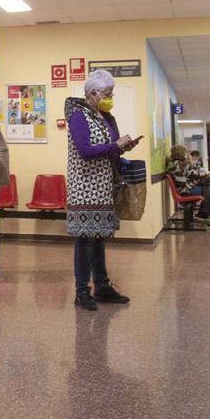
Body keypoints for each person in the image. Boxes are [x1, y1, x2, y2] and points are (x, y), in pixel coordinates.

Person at [65, 69, 134, 312]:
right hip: (84, 187)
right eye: (107, 93)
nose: (110, 97)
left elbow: (108, 147)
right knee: (85, 239)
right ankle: (81, 291)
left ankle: (102, 286)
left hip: (104, 186)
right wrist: (113, 145)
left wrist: (122, 146)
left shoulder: (106, 117)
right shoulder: (78, 116)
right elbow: (85, 151)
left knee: (99, 238)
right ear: (93, 93)